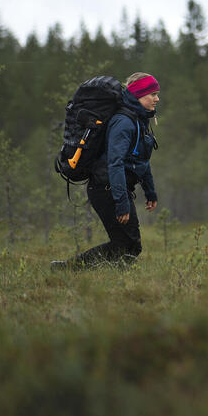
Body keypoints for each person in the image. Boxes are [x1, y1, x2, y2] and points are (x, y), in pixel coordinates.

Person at [51, 73, 160, 270]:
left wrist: (150, 192)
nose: (157, 98)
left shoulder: (139, 120)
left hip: (113, 188)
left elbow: (141, 161)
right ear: (138, 94)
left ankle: (109, 282)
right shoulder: (124, 122)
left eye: (157, 94)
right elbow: (115, 163)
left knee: (128, 246)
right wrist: (121, 202)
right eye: (152, 94)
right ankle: (66, 269)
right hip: (106, 189)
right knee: (127, 246)